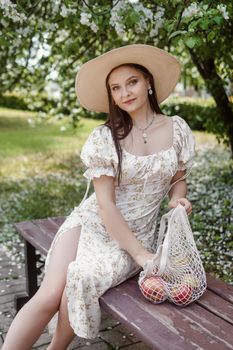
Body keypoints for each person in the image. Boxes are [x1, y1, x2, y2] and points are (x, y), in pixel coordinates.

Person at [2, 44, 195, 350]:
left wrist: (177, 200)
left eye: (131, 82)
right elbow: (105, 204)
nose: (124, 93)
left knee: (81, 277)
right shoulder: (106, 137)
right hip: (93, 221)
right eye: (115, 88)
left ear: (148, 82)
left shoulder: (178, 129)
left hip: (137, 233)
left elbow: (178, 179)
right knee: (50, 292)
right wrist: (141, 256)